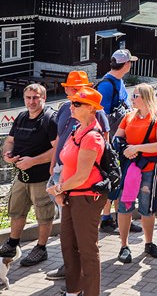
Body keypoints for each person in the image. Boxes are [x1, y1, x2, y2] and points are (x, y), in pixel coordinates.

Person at [45, 71, 110, 281]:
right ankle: (73, 287)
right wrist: (56, 167)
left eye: (77, 102)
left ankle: (86, 288)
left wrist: (58, 189)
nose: (72, 102)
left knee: (86, 247)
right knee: (69, 243)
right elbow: (60, 142)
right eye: (72, 94)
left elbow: (84, 172)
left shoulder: (93, 128)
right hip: (69, 187)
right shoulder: (73, 120)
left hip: (84, 193)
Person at [0, 84, 57, 266]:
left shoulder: (49, 119)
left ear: (43, 98)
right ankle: (13, 243)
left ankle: (41, 248)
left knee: (44, 215)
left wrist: (33, 161)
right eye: (28, 98)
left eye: (36, 98)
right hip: (21, 176)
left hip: (41, 177)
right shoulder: (22, 117)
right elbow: (9, 141)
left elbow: (57, 149)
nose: (32, 102)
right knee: (16, 211)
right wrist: (7, 155)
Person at [114, 83, 157, 264]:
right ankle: (124, 245)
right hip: (130, 168)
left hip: (149, 170)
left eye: (135, 96)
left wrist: (136, 148)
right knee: (124, 205)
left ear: (146, 97)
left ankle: (149, 242)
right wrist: (126, 150)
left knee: (147, 207)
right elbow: (118, 137)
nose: (132, 99)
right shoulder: (129, 116)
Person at [96, 49, 138, 234]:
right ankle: (106, 219)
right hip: (111, 141)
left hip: (120, 138)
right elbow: (100, 115)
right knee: (113, 179)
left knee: (121, 180)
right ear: (127, 64)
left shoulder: (117, 81)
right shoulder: (107, 85)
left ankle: (120, 217)